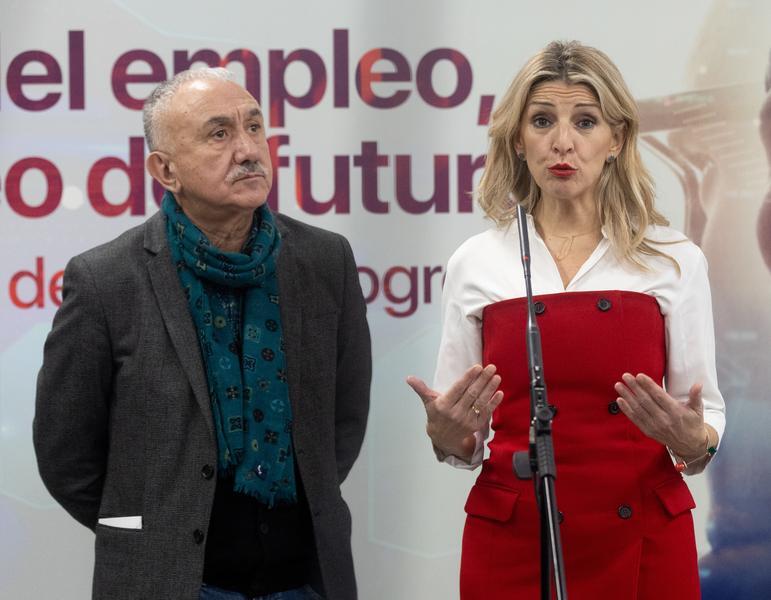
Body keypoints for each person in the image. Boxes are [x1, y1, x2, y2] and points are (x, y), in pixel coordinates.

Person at [33, 67, 371, 600]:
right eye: (219, 134)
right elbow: (66, 452)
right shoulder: (106, 280)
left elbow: (343, 420)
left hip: (304, 579)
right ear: (165, 170)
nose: (248, 150)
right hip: (166, 582)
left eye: (254, 127)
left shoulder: (325, 259)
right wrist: (149, 533)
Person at [408, 41, 725, 599]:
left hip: (641, 536)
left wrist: (695, 439)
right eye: (541, 121)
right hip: (515, 541)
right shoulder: (475, 263)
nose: (562, 142)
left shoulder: (674, 258)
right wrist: (447, 436)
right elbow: (464, 438)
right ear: (517, 139)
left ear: (616, 139)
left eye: (585, 121)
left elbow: (706, 414)